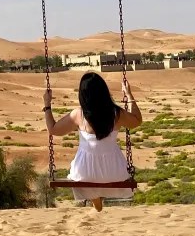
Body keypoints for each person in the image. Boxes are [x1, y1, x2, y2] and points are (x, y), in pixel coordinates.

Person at [43, 72, 142, 212]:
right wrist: (129, 95)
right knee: (101, 176)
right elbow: (137, 121)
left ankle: (94, 196)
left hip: (85, 173)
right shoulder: (116, 113)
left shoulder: (79, 114)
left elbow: (53, 129)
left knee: (82, 176)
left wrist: (47, 105)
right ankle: (95, 195)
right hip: (114, 171)